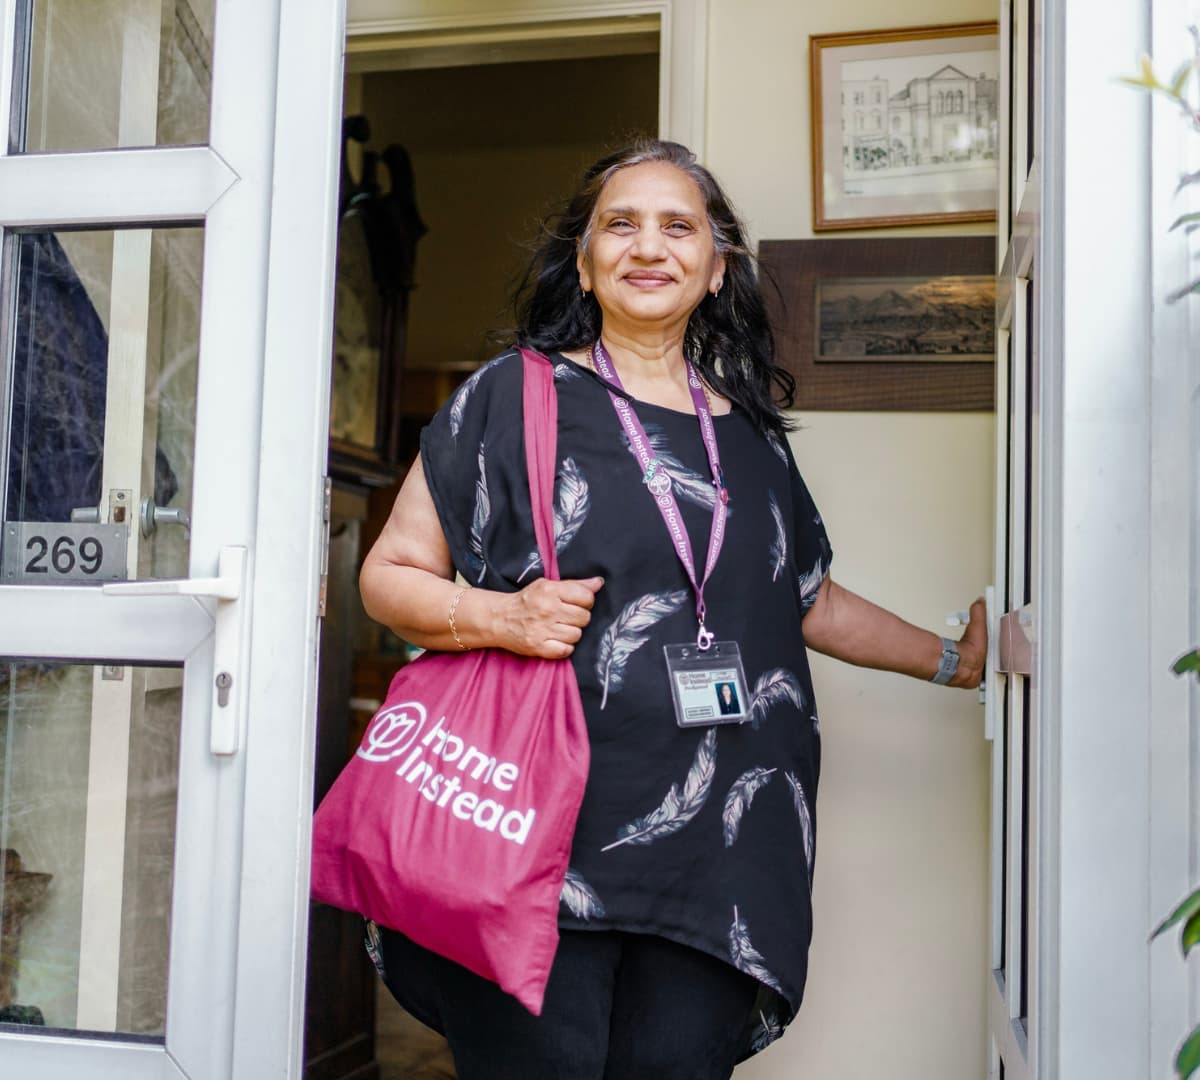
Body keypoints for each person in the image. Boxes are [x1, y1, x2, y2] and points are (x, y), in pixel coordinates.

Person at [358, 138, 986, 1080]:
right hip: (532, 838)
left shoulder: (751, 433)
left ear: (717, 264)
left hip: (721, 853)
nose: (648, 247)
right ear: (583, 258)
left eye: (677, 226)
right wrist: (507, 617)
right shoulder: (510, 397)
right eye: (621, 224)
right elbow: (391, 573)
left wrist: (950, 660)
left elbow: (803, 598)